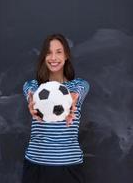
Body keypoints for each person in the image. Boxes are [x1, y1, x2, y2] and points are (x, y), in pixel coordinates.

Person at [22, 34, 90, 183]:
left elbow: (82, 88)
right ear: (43, 57)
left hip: (69, 168)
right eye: (49, 52)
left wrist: (73, 97)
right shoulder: (34, 86)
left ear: (66, 55)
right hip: (36, 166)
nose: (53, 57)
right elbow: (30, 93)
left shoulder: (78, 85)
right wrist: (32, 100)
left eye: (59, 52)